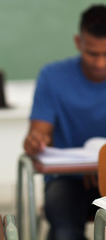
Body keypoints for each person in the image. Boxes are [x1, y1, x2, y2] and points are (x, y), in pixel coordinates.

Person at [23, 4, 106, 240]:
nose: (100, 63)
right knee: (65, 229)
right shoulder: (52, 76)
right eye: (92, 53)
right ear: (78, 41)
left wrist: (102, 167)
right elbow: (40, 132)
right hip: (67, 180)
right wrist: (36, 141)